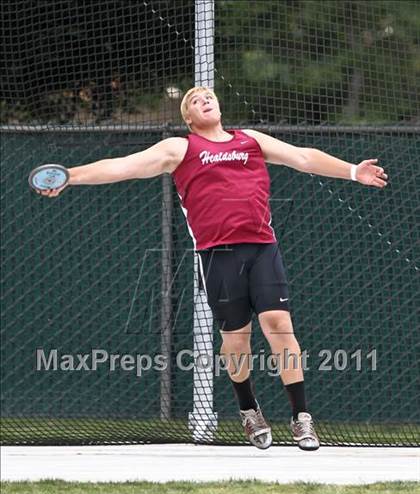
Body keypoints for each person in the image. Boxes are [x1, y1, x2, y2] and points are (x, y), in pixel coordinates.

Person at [37, 86, 388, 450]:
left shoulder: (250, 140)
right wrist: (70, 176)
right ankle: (249, 410)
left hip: (262, 248)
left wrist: (352, 171)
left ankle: (301, 418)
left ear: (219, 107)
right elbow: (123, 167)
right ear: (188, 117)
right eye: (195, 100)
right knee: (236, 339)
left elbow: (302, 157)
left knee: (279, 325)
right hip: (218, 255)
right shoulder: (180, 148)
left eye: (209, 96)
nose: (205, 99)